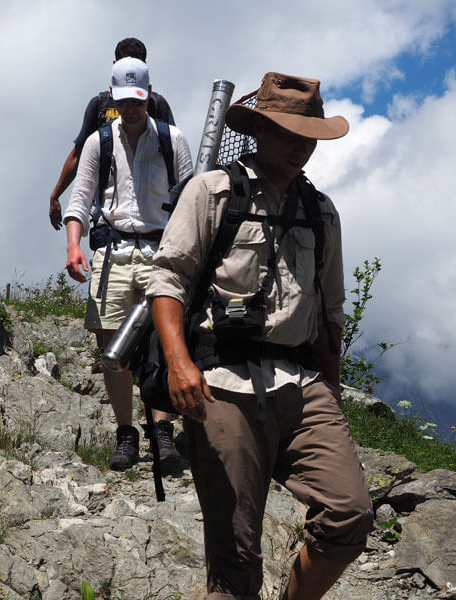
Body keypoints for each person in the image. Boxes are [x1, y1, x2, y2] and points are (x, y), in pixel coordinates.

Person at [147, 72, 374, 599]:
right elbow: (168, 280)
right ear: (260, 131)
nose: (301, 148)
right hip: (220, 381)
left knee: (349, 514)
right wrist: (180, 364)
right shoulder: (214, 191)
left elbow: (330, 313)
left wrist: (332, 394)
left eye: (309, 137)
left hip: (303, 381)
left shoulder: (321, 213)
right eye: (289, 134)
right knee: (235, 554)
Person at [63, 57, 192, 471]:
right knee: (111, 348)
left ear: (149, 95)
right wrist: (73, 245)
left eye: (138, 101)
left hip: (163, 254)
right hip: (112, 253)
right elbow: (80, 197)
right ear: (114, 99)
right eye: (124, 102)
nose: (132, 108)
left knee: (164, 343)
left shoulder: (174, 140)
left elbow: (193, 203)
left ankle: (163, 431)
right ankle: (126, 434)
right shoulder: (99, 142)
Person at [49, 37, 175, 230]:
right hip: (112, 201)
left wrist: (55, 195)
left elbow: (172, 154)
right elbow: (80, 153)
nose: (130, 108)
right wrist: (55, 195)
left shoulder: (155, 105)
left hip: (149, 204)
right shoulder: (103, 105)